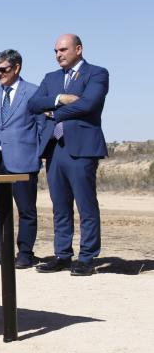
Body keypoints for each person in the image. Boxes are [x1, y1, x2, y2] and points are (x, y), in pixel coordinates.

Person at [28, 34, 109, 277]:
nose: (58, 54)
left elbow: (89, 105)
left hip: (82, 148)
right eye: (55, 51)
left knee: (86, 205)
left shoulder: (97, 73)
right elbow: (33, 104)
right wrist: (59, 99)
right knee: (60, 206)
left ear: (79, 49)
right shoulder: (51, 78)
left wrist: (54, 113)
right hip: (54, 148)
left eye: (63, 49)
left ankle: (86, 257)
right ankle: (62, 254)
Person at [0, 50, 46, 269]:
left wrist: (35, 153)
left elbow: (42, 126)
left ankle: (25, 253)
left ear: (17, 68)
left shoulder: (34, 92)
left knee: (26, 209)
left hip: (23, 160)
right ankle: (0, 251)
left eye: (3, 69)